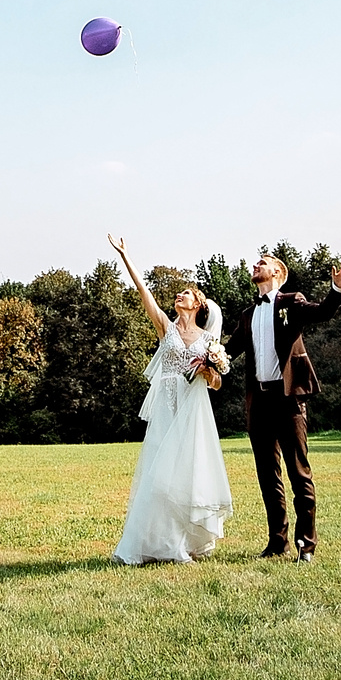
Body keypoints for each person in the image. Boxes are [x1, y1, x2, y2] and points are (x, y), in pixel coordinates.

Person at [105, 235, 234, 564]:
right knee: (160, 475)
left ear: (197, 304)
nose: (179, 295)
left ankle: (182, 544)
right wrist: (125, 256)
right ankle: (157, 544)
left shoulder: (208, 340)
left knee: (187, 475)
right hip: (167, 403)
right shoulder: (166, 327)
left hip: (193, 408)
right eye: (178, 294)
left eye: (186, 293)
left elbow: (218, 383)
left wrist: (208, 371)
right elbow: (144, 293)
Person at [226, 249, 341, 562]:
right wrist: (208, 360)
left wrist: (337, 290)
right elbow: (230, 351)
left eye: (262, 262)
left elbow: (322, 312)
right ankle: (277, 543)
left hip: (288, 398)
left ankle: (306, 545)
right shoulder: (247, 314)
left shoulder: (292, 301)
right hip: (259, 401)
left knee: (298, 472)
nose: (255, 265)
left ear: (277, 274)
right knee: (268, 475)